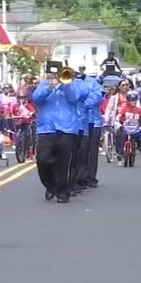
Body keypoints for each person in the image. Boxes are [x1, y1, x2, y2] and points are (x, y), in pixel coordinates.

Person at [32, 61, 82, 203]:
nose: (54, 76)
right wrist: (48, 87)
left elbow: (75, 97)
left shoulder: (72, 84)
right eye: (51, 74)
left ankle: (63, 192)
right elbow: (36, 99)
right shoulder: (44, 84)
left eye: (56, 73)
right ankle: (51, 185)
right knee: (43, 159)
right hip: (46, 128)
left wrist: (66, 84)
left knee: (64, 162)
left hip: (67, 128)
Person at [82, 72, 105, 188]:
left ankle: (91, 177)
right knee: (81, 150)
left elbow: (98, 99)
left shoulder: (94, 84)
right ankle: (81, 177)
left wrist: (81, 104)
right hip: (79, 122)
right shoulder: (71, 83)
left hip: (94, 121)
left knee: (92, 150)